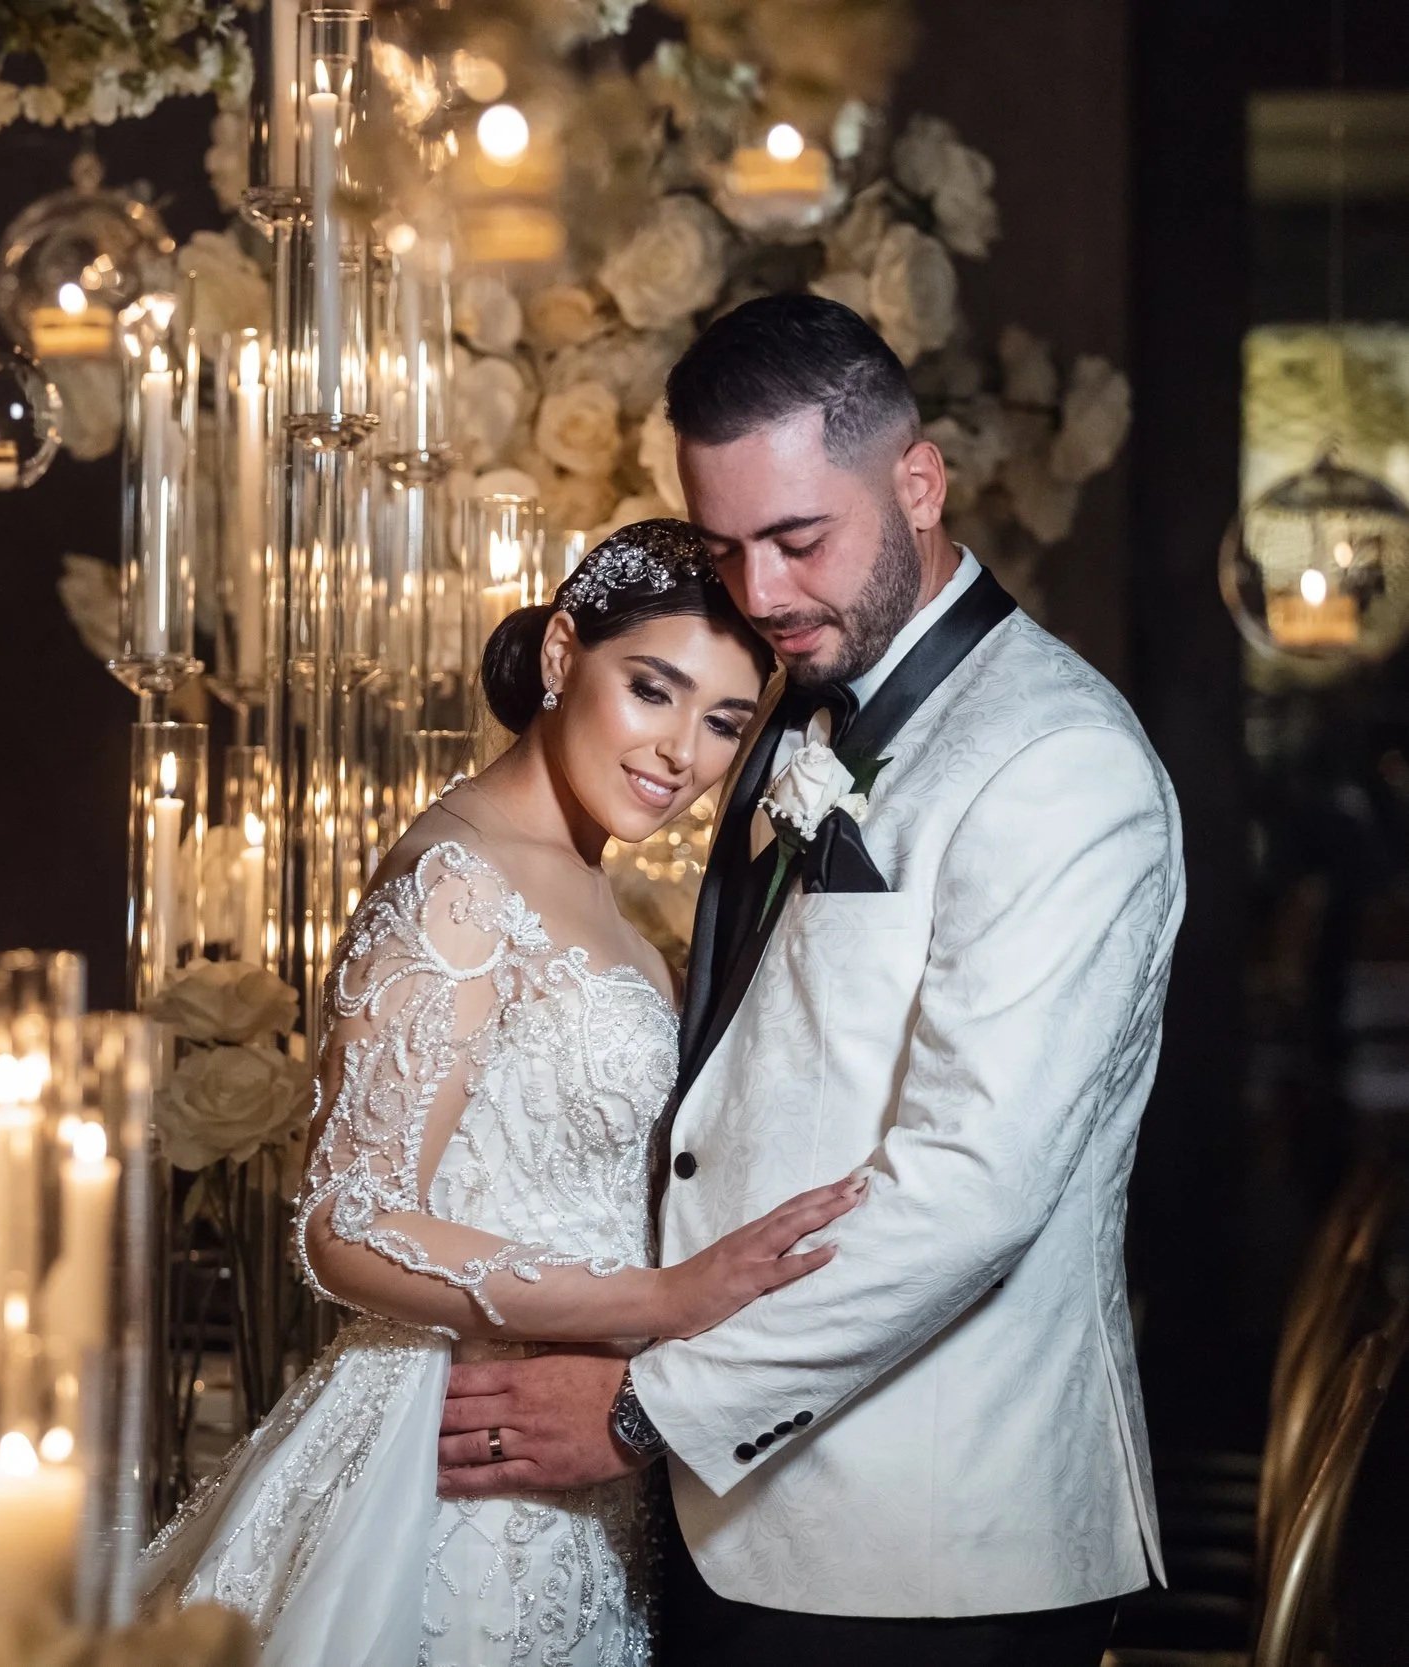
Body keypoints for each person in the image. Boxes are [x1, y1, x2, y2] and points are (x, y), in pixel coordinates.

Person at [433, 295, 1185, 1667]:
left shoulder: (1059, 763)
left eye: (798, 538)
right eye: (726, 547)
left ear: (918, 480)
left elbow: (969, 1190)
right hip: (752, 1520)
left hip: (928, 1556)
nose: (763, 592)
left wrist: (641, 1407)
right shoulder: (802, 705)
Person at [141, 519, 867, 1665]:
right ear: (560, 652)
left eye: (724, 720)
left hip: (581, 1461)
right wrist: (657, 1302)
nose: (681, 750)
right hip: (459, 1460)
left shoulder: (599, 893)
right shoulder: (458, 878)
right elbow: (349, 1221)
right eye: (652, 690)